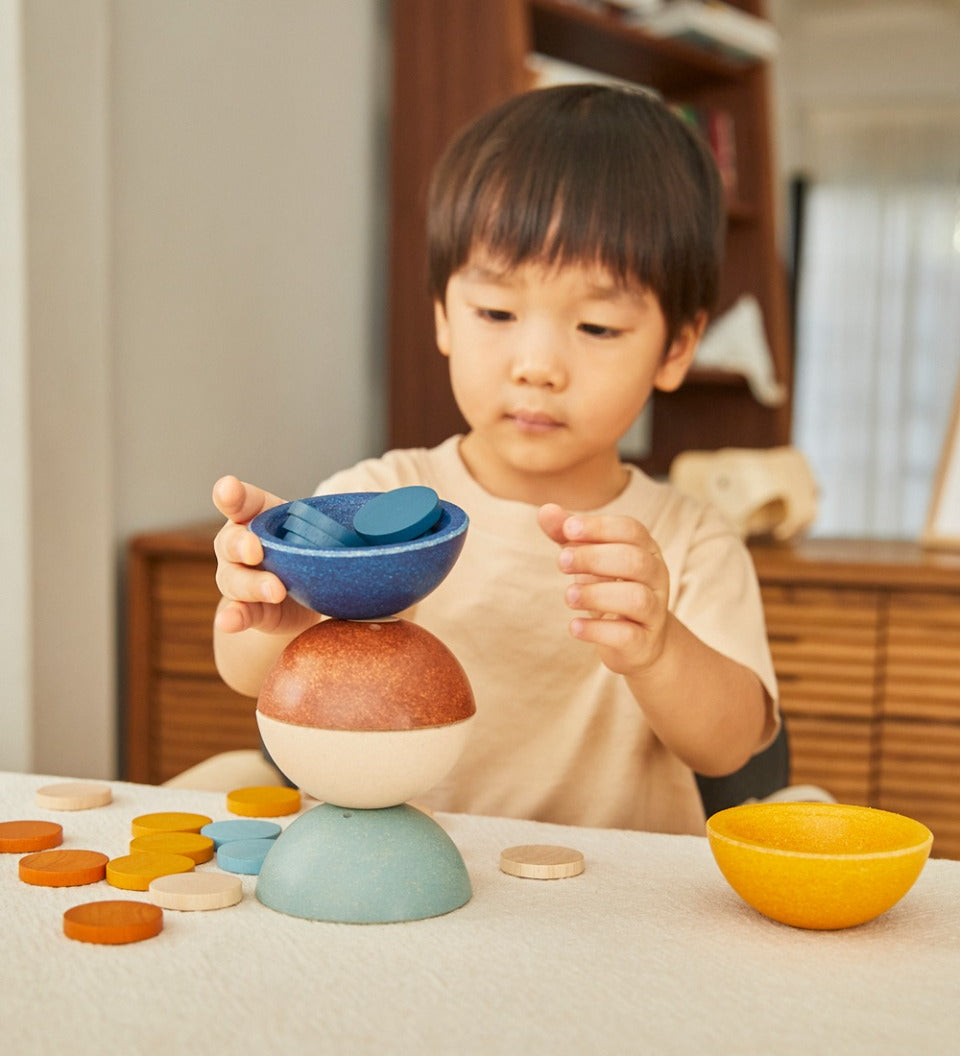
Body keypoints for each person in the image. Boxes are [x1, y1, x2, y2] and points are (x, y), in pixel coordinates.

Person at [201, 83, 778, 834]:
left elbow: (729, 749)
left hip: (608, 907)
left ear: (676, 348)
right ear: (443, 313)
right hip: (397, 887)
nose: (537, 365)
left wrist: (660, 645)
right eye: (497, 313)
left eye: (598, 326)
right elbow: (249, 675)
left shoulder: (689, 540)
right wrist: (273, 613)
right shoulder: (375, 498)